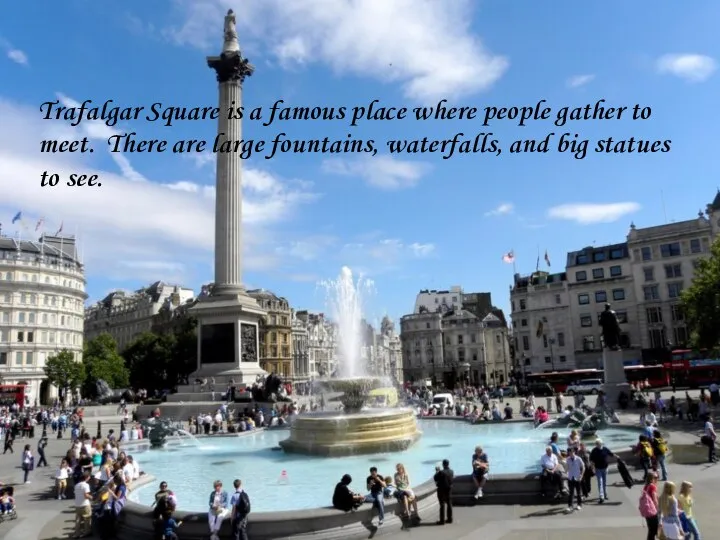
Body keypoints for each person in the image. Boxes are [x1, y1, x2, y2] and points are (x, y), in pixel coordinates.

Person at [588, 438, 614, 502]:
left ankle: (605, 494)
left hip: (605, 468)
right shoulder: (594, 450)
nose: (597, 445)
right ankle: (601, 496)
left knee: (604, 482)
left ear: (601, 443)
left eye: (598, 443)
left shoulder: (605, 449)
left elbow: (611, 454)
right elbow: (591, 460)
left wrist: (617, 457)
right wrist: (592, 468)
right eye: (596, 444)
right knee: (600, 482)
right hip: (598, 469)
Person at [639, 472, 659, 540]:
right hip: (652, 510)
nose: (657, 479)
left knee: (651, 530)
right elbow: (655, 499)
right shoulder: (652, 486)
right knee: (655, 529)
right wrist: (658, 509)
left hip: (647, 510)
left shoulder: (646, 486)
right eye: (656, 477)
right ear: (651, 478)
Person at [564, 447, 585, 513]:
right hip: (570, 478)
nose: (570, 454)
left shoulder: (578, 459)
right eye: (569, 453)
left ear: (574, 452)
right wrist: (566, 473)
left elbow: (583, 467)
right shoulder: (567, 459)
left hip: (577, 477)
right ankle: (570, 506)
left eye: (572, 452)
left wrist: (581, 475)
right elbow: (567, 468)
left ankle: (579, 505)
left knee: (578, 493)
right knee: (571, 493)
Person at [433, 459, 454, 525]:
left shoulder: (441, 472)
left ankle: (442, 521)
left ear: (443, 464)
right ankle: (450, 519)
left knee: (442, 505)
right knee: (449, 504)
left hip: (441, 490)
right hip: (449, 489)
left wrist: (437, 471)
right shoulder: (451, 471)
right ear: (448, 464)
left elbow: (435, 478)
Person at [73, 471, 93, 538]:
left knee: (78, 520)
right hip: (85, 504)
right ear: (87, 477)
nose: (90, 478)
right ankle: (86, 532)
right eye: (89, 477)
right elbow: (86, 495)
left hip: (77, 504)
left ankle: (76, 534)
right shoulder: (86, 485)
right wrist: (92, 497)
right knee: (87, 519)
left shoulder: (76, 485)